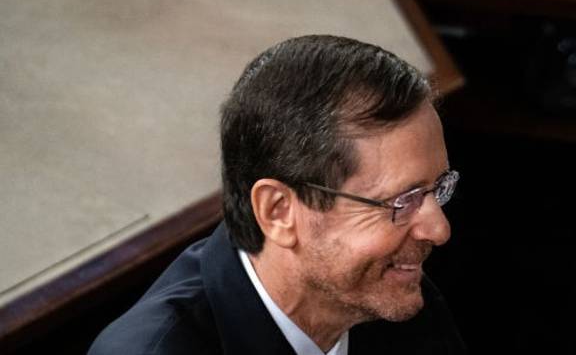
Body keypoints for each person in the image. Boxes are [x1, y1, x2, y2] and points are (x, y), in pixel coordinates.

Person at [90, 35, 467, 354]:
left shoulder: (401, 304)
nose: (439, 229)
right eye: (403, 200)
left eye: (437, 188)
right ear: (278, 211)